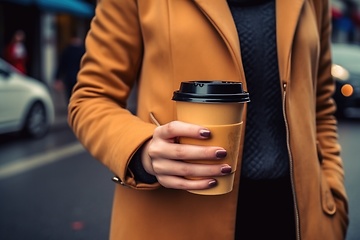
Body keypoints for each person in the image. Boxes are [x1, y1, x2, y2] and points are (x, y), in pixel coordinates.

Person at [68, 0, 349, 239]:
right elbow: (91, 97)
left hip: (297, 220)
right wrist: (142, 150)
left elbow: (320, 105)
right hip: (173, 221)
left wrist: (333, 196)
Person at [54, 35, 85, 102]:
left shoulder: (67, 50)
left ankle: (71, 107)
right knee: (78, 93)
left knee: (70, 95)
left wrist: (57, 78)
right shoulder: (82, 51)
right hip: (79, 76)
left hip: (69, 77)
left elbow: (61, 65)